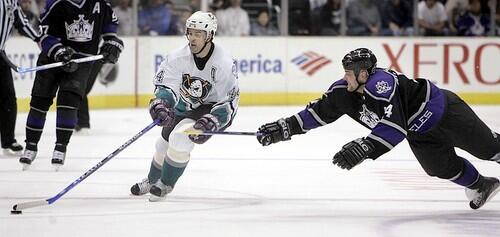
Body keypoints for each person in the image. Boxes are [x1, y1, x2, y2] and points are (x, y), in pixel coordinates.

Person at [256, 48, 500, 210]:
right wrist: (285, 127)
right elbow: (318, 113)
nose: (345, 77)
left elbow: (394, 126)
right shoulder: (344, 92)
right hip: (420, 133)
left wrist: (365, 147)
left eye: (349, 73)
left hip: (445, 113)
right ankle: (482, 184)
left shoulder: (380, 83)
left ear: (363, 73)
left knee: (489, 149)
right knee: (439, 168)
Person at [130, 11, 240, 202]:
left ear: (210, 36)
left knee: (180, 139)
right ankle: (151, 180)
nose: (193, 38)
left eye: (199, 34)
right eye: (190, 33)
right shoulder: (177, 57)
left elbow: (229, 101)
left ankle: (165, 184)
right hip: (185, 104)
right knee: (162, 144)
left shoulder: (223, 63)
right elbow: (167, 86)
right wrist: (162, 103)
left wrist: (215, 120)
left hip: (211, 109)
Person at [19, 0, 123, 170]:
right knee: (39, 102)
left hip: (81, 61)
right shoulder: (55, 3)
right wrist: (59, 52)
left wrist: (112, 44)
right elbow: (43, 36)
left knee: (69, 102)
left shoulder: (101, 5)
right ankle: (31, 145)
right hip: (53, 58)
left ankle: (60, 147)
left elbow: (110, 30)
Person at [0, 0, 40, 156]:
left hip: (0, 54)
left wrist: (38, 38)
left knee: (8, 98)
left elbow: (21, 22)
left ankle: (8, 140)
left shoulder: (11, 1)